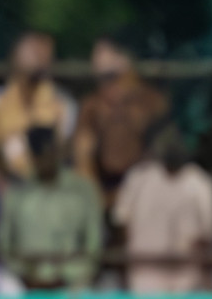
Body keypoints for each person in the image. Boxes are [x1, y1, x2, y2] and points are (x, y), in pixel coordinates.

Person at [0, 31, 78, 236]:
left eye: (46, 53)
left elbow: (65, 154)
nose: (41, 58)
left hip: (47, 183)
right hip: (4, 182)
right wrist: (1, 187)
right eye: (34, 51)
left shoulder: (63, 104)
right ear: (14, 57)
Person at [112, 125, 212, 294]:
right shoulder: (139, 177)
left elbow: (207, 235)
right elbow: (120, 222)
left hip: (184, 276)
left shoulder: (200, 182)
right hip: (144, 270)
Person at [0, 126, 103, 289]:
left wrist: (67, 277)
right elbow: (5, 247)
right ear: (32, 156)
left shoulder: (82, 190)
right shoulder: (17, 194)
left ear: (58, 151)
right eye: (40, 154)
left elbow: (93, 246)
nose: (46, 159)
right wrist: (25, 276)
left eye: (50, 152)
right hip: (25, 287)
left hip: (72, 286)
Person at [73, 34, 170, 204]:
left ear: (124, 59)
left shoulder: (151, 102)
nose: (95, 59)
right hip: (103, 190)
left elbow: (161, 152)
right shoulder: (92, 106)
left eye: (102, 52)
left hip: (145, 190)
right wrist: (96, 197)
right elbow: (83, 153)